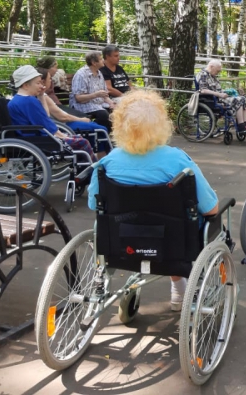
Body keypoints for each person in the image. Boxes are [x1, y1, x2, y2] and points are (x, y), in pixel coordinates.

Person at [87, 90, 220, 311]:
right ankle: (179, 290)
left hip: (122, 239)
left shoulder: (108, 163)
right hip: (174, 242)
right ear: (162, 125)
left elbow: (94, 205)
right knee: (189, 224)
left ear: (119, 125)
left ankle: (176, 289)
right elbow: (211, 209)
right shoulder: (177, 160)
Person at [8, 65, 98, 163]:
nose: (41, 86)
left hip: (30, 137)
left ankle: (85, 168)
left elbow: (44, 117)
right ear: (25, 85)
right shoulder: (29, 101)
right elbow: (44, 123)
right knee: (82, 142)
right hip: (40, 139)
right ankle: (93, 168)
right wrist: (62, 136)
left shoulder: (17, 100)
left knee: (77, 139)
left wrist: (41, 96)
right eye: (38, 83)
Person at [36, 68, 111, 155]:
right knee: (101, 129)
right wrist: (81, 119)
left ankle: (98, 155)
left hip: (60, 123)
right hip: (62, 125)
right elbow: (63, 117)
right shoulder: (43, 97)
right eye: (49, 78)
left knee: (95, 126)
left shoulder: (40, 95)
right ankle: (101, 156)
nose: (51, 81)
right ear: (43, 81)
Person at [197, 59, 246, 134]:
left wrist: (226, 92)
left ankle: (245, 124)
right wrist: (219, 94)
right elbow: (203, 90)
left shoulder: (212, 75)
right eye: (217, 70)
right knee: (237, 100)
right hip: (213, 99)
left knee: (243, 99)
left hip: (220, 96)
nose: (218, 72)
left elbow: (217, 89)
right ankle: (241, 126)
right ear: (211, 67)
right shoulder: (203, 75)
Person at [70, 51, 115, 132]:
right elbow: (78, 98)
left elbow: (104, 94)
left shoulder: (99, 73)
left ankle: (111, 135)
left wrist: (111, 103)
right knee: (103, 114)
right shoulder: (81, 74)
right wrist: (95, 95)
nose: (103, 60)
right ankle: (100, 134)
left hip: (98, 103)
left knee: (115, 110)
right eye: (101, 59)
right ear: (94, 63)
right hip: (83, 105)